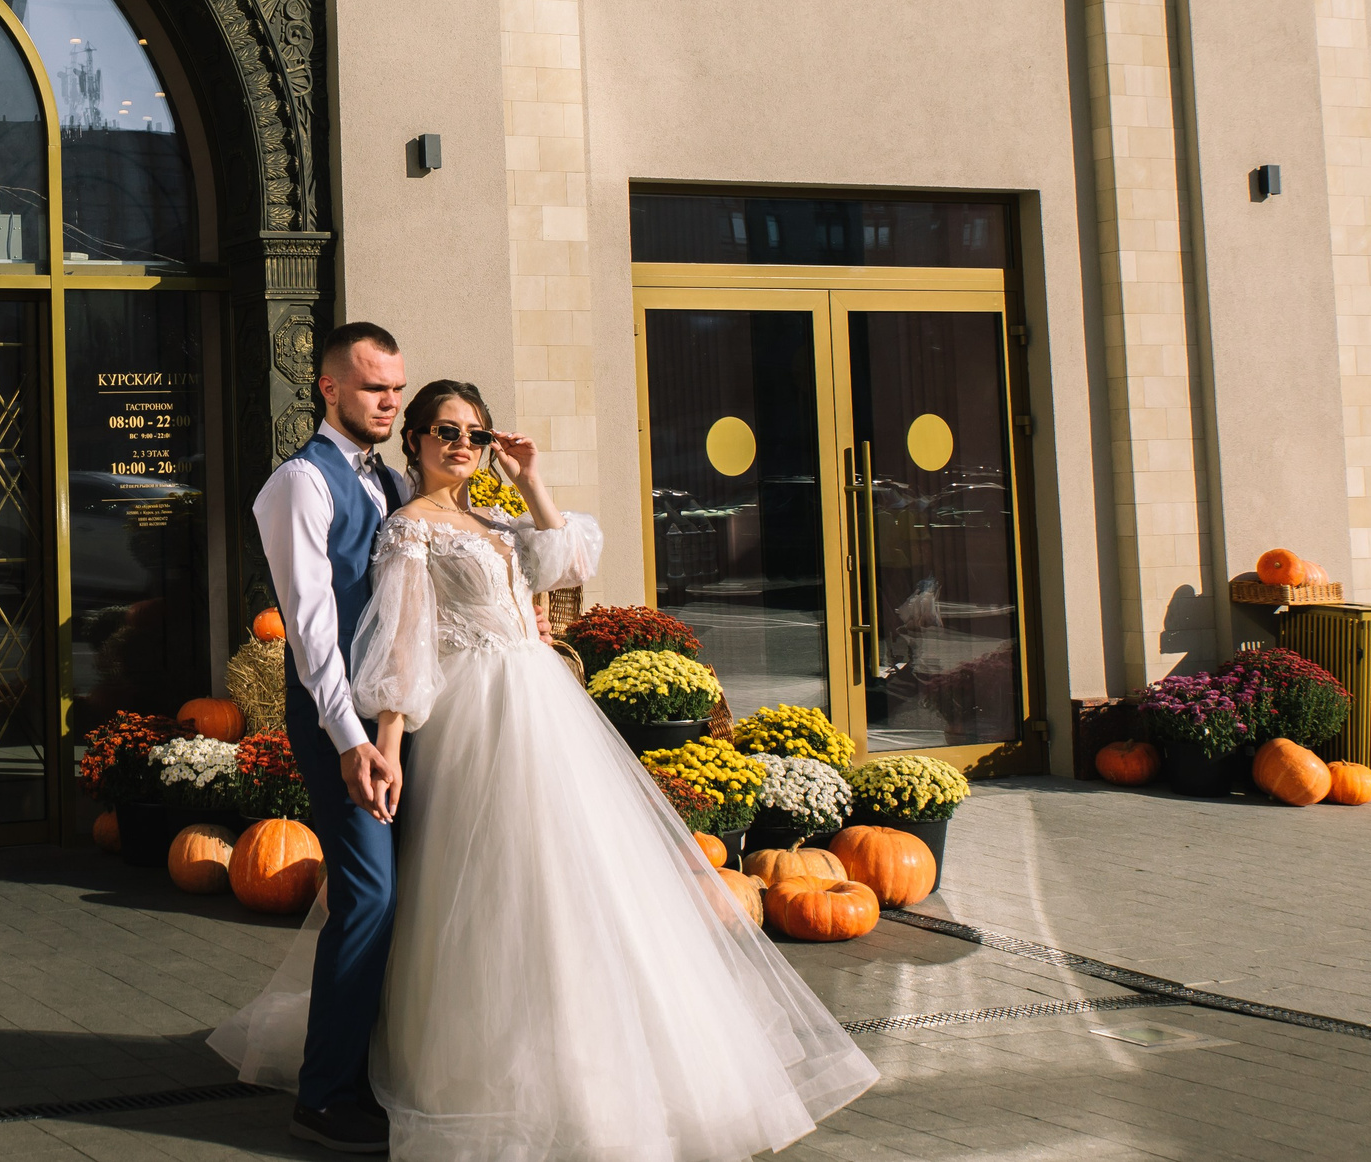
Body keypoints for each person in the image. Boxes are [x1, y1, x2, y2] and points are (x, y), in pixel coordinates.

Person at [216, 378, 879, 1162]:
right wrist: (388, 746)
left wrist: (530, 479)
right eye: (443, 430)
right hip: (473, 715)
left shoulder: (494, 518)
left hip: (542, 706)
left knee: (577, 880)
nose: (460, 444)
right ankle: (484, 1076)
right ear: (416, 442)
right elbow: (401, 646)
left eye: (474, 432)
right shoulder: (407, 529)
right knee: (492, 890)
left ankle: (596, 1063)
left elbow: (564, 562)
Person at [240, 321, 410, 1152]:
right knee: (367, 895)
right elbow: (311, 628)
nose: (389, 400)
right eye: (374, 385)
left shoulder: (394, 480)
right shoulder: (299, 485)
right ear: (329, 388)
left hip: (397, 721)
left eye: (397, 387)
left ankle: (381, 1067)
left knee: (405, 890)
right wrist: (350, 740)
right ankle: (326, 1093)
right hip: (337, 721)